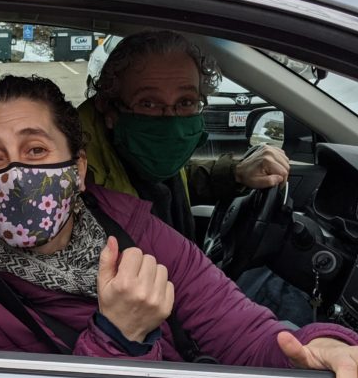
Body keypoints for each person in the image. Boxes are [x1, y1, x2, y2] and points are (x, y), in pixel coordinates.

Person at [0, 75, 358, 378]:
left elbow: (240, 331)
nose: (14, 175)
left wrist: (324, 347)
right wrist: (118, 336)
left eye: (35, 151)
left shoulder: (132, 228)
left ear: (77, 169)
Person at [79, 30, 289, 242]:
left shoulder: (137, 158)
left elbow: (169, 179)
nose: (172, 123)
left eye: (186, 102)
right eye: (148, 103)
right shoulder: (79, 187)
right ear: (110, 111)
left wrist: (236, 173)